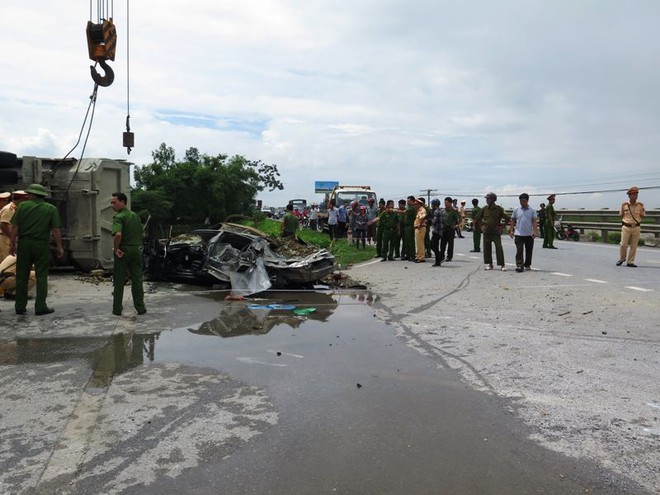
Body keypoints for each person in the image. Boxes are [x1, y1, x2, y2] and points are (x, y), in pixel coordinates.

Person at [9, 183, 64, 315]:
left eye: (29, 193)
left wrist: (12, 244)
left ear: (33, 195)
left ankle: (20, 306)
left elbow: (14, 227)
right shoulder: (51, 209)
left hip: (24, 244)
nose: (27, 195)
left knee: (22, 276)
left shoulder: (22, 206)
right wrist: (59, 247)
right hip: (41, 245)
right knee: (41, 276)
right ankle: (40, 307)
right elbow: (55, 230)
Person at [110, 192, 146, 316]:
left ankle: (117, 309)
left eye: (114, 202)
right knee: (137, 279)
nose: (112, 205)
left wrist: (116, 248)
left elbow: (118, 234)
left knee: (119, 280)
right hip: (136, 250)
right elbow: (142, 234)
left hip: (123, 251)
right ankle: (140, 308)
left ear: (123, 202)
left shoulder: (119, 217)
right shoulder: (135, 216)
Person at [475, 192, 509, 271]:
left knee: (499, 247)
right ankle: (490, 264)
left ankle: (502, 265)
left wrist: (502, 227)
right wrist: (481, 226)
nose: (487, 200)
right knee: (487, 248)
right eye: (486, 198)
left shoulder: (499, 209)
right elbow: (477, 217)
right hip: (486, 232)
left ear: (493, 199)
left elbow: (507, 217)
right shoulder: (484, 208)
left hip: (495, 232)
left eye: (488, 198)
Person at [509, 193, 538, 272]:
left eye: (524, 201)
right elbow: (513, 220)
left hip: (529, 234)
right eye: (521, 201)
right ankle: (519, 265)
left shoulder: (532, 210)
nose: (522, 203)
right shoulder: (516, 209)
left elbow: (534, 221)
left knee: (529, 250)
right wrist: (511, 230)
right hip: (519, 233)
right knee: (519, 250)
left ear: (527, 201)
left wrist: (535, 231)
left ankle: (527, 264)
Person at [617, 186, 645, 267]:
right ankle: (622, 258)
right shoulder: (624, 205)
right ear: (629, 196)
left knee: (634, 245)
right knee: (623, 244)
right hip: (626, 227)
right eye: (633, 194)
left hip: (636, 227)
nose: (635, 196)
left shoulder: (640, 206)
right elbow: (621, 215)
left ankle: (630, 261)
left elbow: (642, 215)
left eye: (636, 194)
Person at [1, 191, 28, 262]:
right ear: (21, 199)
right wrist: (11, 237)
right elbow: (3, 225)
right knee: (6, 261)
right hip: (5, 237)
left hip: (6, 237)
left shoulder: (15, 208)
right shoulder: (9, 209)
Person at [439, 196, 459, 263]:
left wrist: (456, 225)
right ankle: (441, 256)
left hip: (450, 228)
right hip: (443, 228)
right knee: (442, 243)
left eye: (447, 202)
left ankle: (449, 257)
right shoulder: (442, 211)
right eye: (444, 202)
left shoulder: (454, 211)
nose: (445, 204)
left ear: (451, 203)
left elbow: (459, 219)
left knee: (450, 243)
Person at [429, 198, 444, 267]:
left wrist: (429, 220)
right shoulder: (440, 211)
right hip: (439, 231)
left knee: (434, 246)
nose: (431, 206)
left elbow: (434, 222)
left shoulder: (436, 212)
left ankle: (438, 260)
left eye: (432, 204)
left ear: (434, 205)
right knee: (433, 246)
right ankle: (440, 257)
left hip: (436, 231)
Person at [413, 197, 427, 263]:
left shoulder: (422, 210)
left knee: (420, 243)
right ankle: (418, 256)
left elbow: (423, 217)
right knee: (418, 243)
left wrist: (419, 224)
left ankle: (421, 257)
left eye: (416, 203)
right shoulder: (419, 210)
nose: (415, 205)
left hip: (420, 228)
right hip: (418, 228)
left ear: (419, 204)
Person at [403, 196, 417, 261]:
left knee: (411, 241)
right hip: (406, 226)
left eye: (408, 201)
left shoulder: (413, 208)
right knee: (406, 241)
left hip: (410, 226)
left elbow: (404, 212)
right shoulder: (408, 207)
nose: (407, 202)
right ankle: (408, 254)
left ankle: (412, 255)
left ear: (412, 201)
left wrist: (394, 210)